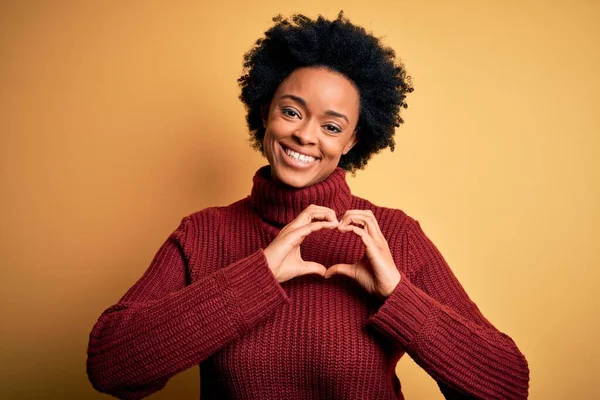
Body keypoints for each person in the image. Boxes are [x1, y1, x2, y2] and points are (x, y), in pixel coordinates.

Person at [86, 12, 529, 400]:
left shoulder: (393, 236)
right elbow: (110, 367)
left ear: (353, 140)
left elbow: (507, 387)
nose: (305, 136)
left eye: (332, 126)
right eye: (292, 112)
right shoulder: (203, 234)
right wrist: (256, 276)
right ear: (265, 112)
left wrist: (398, 294)